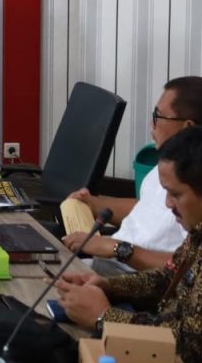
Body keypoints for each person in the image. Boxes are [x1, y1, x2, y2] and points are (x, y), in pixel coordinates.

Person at [56, 126, 202, 363]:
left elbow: (190, 346)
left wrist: (104, 317)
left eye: (175, 194)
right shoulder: (196, 233)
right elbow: (168, 277)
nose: (168, 204)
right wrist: (108, 286)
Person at [63, 77, 202, 274]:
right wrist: (95, 204)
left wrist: (118, 249)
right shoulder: (168, 165)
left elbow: (191, 268)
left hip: (134, 281)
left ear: (187, 127)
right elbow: (147, 207)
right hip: (108, 268)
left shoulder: (193, 189)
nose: (151, 124)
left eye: (158, 116)